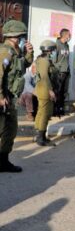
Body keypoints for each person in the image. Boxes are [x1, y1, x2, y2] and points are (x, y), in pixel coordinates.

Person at [0, 20, 33, 173]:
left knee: (10, 129)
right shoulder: (5, 52)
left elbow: (23, 66)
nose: (21, 39)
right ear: (12, 36)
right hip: (3, 98)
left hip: (11, 98)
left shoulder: (15, 52)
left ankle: (3, 161)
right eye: (19, 37)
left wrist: (29, 53)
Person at [34, 40, 57, 147]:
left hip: (41, 88)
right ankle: (41, 138)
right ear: (49, 50)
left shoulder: (41, 59)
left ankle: (38, 135)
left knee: (40, 111)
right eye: (53, 50)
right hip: (44, 90)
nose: (54, 52)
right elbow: (45, 76)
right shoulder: (45, 61)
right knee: (45, 113)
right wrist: (50, 91)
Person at [53, 28, 71, 116]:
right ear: (64, 35)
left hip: (66, 72)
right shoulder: (56, 45)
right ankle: (55, 110)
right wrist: (57, 71)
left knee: (64, 92)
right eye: (69, 34)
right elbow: (54, 60)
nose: (70, 36)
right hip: (60, 72)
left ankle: (61, 108)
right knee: (57, 92)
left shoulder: (67, 45)